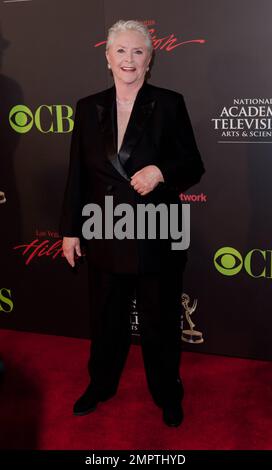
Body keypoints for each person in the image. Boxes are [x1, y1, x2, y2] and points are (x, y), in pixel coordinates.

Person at [60, 20, 204, 427]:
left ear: (149, 59)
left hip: (157, 233)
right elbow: (78, 174)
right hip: (104, 231)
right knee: (106, 322)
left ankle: (167, 393)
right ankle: (101, 385)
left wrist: (161, 171)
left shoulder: (170, 103)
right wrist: (70, 230)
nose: (129, 59)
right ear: (107, 58)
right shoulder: (88, 108)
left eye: (137, 51)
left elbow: (193, 164)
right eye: (120, 51)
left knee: (160, 325)